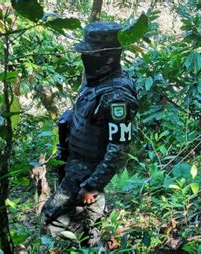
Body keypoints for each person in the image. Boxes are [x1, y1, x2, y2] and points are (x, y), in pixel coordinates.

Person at [42, 21, 139, 246]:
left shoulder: (117, 94)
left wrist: (92, 185)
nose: (85, 58)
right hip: (74, 164)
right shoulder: (95, 83)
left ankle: (88, 244)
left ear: (106, 57)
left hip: (87, 172)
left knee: (52, 216)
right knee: (80, 223)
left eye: (90, 54)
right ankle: (90, 243)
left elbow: (120, 148)